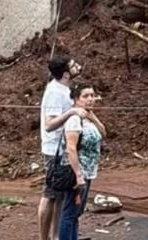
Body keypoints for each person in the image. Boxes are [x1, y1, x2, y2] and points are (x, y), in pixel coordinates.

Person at [38, 56, 85, 240]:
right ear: (66, 74)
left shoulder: (63, 87)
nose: (77, 66)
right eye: (73, 65)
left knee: (60, 194)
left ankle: (56, 235)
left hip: (63, 148)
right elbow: (49, 124)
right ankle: (44, 237)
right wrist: (71, 112)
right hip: (53, 150)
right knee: (49, 194)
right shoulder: (54, 92)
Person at [57, 83, 105, 240]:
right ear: (76, 99)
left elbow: (103, 133)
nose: (90, 99)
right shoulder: (74, 120)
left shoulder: (88, 118)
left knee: (77, 212)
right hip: (75, 172)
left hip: (88, 171)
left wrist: (94, 118)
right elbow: (70, 148)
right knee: (70, 212)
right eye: (85, 96)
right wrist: (78, 175)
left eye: (92, 95)